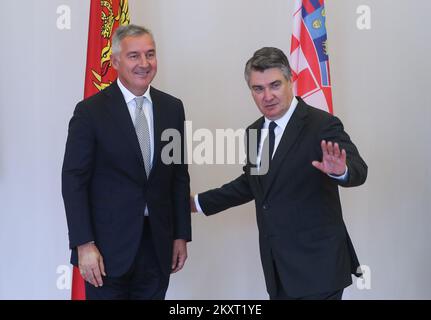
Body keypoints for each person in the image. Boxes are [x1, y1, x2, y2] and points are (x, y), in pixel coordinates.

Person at [191, 47, 367, 300]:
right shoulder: (254, 131)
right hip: (277, 267)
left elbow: (359, 169)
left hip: (319, 267)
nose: (267, 96)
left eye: (275, 85)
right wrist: (196, 203)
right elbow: (252, 184)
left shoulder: (322, 124)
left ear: (290, 80)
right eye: (258, 89)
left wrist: (342, 171)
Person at [62, 24, 191, 300]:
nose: (144, 63)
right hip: (104, 253)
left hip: (157, 247)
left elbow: (179, 175)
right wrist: (84, 245)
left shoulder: (173, 108)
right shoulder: (90, 112)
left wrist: (181, 234)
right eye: (134, 56)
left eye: (150, 54)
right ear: (116, 60)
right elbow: (73, 182)